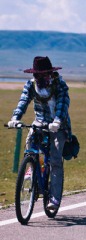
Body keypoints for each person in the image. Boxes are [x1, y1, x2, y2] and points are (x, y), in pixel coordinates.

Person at [7, 56, 72, 210]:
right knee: (29, 146)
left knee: (55, 159)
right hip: (39, 122)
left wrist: (57, 121)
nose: (40, 78)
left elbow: (63, 105)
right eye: (37, 75)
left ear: (49, 73)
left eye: (43, 74)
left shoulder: (59, 85)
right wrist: (15, 118)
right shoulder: (30, 85)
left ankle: (54, 199)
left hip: (58, 125)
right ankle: (32, 174)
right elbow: (23, 101)